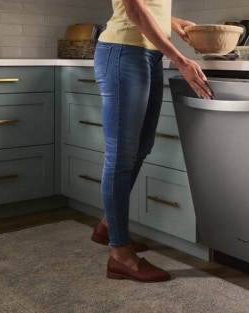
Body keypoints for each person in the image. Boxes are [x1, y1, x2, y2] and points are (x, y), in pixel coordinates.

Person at [90, 0, 213, 283]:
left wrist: (174, 21)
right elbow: (132, 10)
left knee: (141, 148)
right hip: (123, 52)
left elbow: (148, 5)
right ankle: (121, 256)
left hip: (149, 54)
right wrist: (180, 60)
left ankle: (109, 226)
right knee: (120, 155)